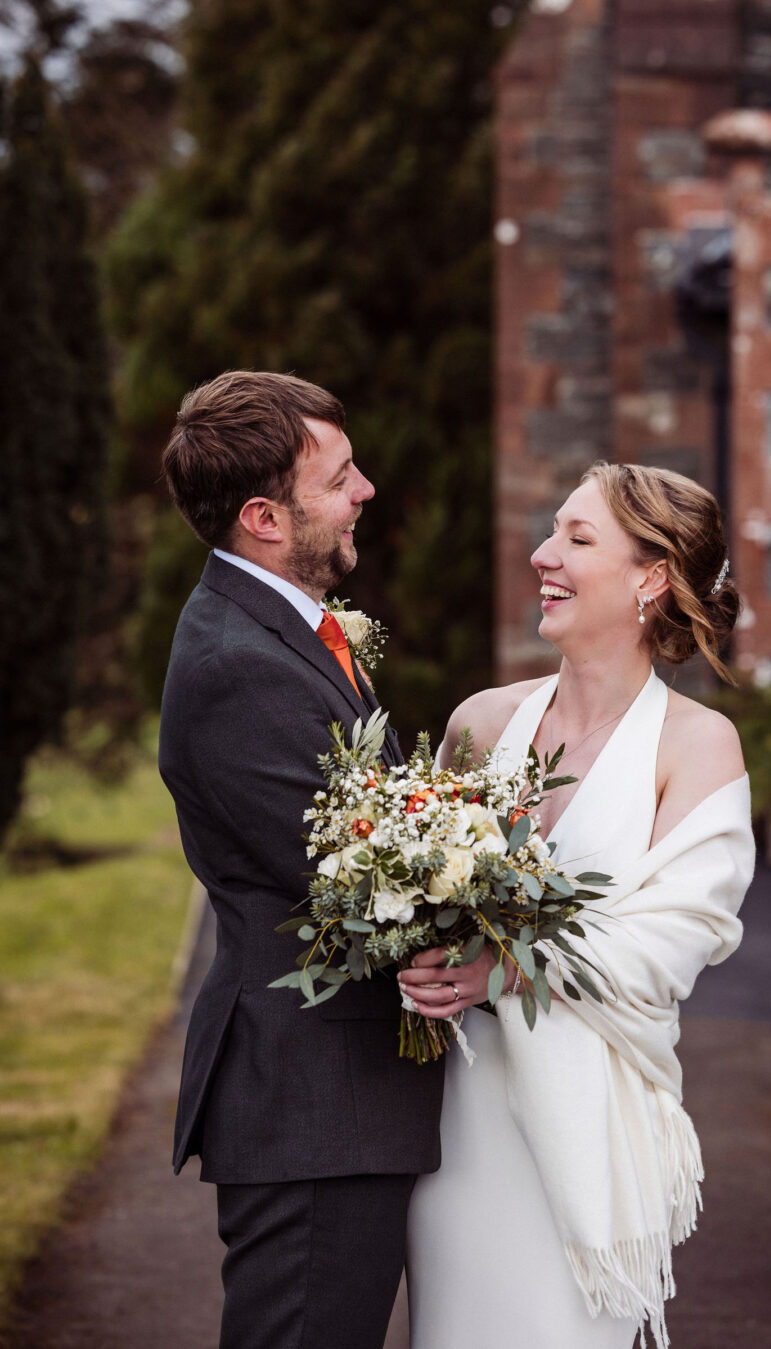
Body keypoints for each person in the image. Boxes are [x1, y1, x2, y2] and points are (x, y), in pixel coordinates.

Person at [400, 462, 755, 1349]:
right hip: (458, 1120)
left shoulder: (699, 747)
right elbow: (417, 895)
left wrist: (504, 967)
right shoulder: (481, 724)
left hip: (586, 1134)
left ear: (650, 577)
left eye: (577, 538)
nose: (541, 555)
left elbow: (667, 949)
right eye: (552, 531)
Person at [158, 371, 444, 1349]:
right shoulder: (240, 666)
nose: (365, 487)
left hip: (333, 1098)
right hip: (313, 1102)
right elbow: (368, 883)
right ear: (263, 517)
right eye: (340, 475)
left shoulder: (278, 631)